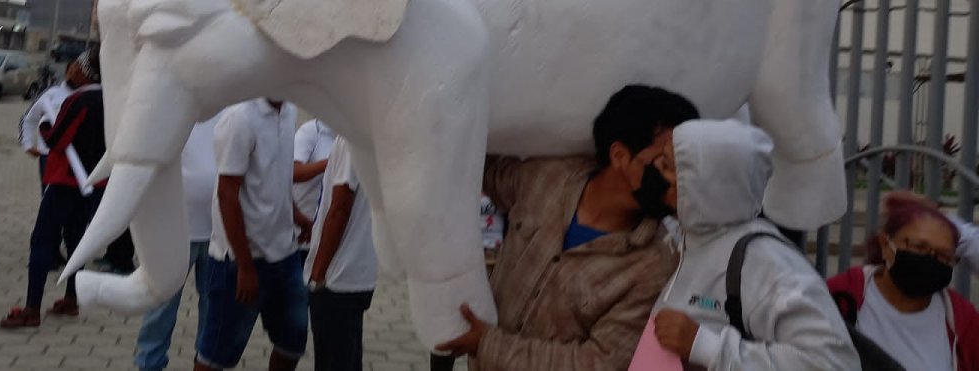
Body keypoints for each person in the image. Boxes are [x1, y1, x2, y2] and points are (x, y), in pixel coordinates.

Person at [435, 84, 692, 369]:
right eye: (666, 163)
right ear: (620, 155)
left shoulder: (654, 266)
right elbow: (482, 167)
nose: (681, 178)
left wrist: (487, 344)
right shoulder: (547, 180)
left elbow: (597, 363)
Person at [651, 118, 860, 370]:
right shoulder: (691, 241)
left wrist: (706, 347)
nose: (653, 169)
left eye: (666, 165)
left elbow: (834, 363)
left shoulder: (764, 261)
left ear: (703, 182)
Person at [195, 99, 312, 371]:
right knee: (215, 357)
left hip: (286, 256)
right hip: (237, 263)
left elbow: (275, 178)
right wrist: (245, 267)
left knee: (292, 344)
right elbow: (227, 193)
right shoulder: (240, 118)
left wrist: (296, 216)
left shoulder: (290, 111)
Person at [0, 48, 104, 329]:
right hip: (94, 183)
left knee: (43, 240)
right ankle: (71, 299)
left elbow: (56, 139)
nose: (70, 70)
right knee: (77, 241)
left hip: (64, 181)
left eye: (76, 66)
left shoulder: (79, 100)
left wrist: (46, 126)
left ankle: (32, 308)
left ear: (84, 71)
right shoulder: (114, 101)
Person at [827, 196, 979, 370]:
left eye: (943, 255)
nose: (929, 258)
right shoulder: (837, 297)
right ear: (885, 245)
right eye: (918, 246)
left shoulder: (964, 323)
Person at [134, 110, 225, 371]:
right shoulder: (171, 113)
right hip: (173, 231)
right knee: (161, 308)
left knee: (214, 306)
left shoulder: (231, 111)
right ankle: (149, 364)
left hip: (219, 231)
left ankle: (207, 362)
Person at [305, 136, 377, 371]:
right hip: (358, 271)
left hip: (337, 276)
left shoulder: (351, 139)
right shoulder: (370, 134)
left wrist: (318, 272)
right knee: (347, 358)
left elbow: (340, 207)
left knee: (334, 361)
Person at [292, 118, 335, 263]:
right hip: (303, 236)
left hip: (331, 240)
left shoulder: (351, 137)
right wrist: (331, 163)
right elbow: (292, 172)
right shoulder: (312, 131)